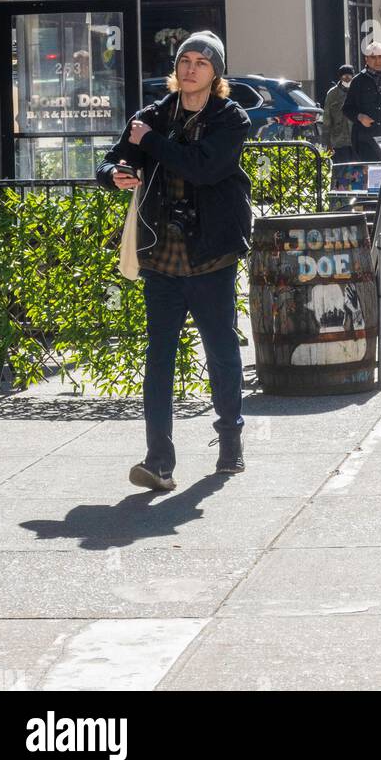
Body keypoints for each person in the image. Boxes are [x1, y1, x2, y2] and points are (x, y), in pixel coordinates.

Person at [97, 31, 252, 492]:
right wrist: (115, 175)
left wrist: (152, 144)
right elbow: (110, 160)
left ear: (216, 73)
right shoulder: (151, 116)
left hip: (210, 254)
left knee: (221, 351)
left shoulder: (230, 118)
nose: (191, 68)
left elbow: (204, 168)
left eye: (202, 62)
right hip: (160, 255)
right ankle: (158, 461)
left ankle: (230, 443)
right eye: (185, 59)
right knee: (159, 357)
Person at [322, 64, 355, 162]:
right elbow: (327, 119)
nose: (347, 78)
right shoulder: (332, 94)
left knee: (357, 171)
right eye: (344, 76)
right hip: (338, 141)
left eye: (350, 76)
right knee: (341, 171)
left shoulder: (357, 90)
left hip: (356, 140)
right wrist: (327, 143)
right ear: (340, 77)